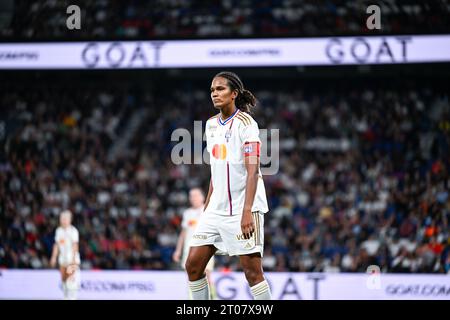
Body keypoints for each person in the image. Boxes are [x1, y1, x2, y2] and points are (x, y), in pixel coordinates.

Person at [185, 71, 271, 300]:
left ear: (234, 94)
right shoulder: (211, 125)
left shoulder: (247, 124)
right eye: (212, 89)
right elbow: (216, 169)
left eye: (220, 89)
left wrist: (246, 213)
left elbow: (253, 171)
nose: (215, 93)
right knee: (193, 266)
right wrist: (207, 209)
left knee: (252, 273)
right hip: (216, 209)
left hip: (244, 208)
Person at [172, 188, 216, 299]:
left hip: (205, 248)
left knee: (207, 276)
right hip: (189, 250)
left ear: (202, 197)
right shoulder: (187, 213)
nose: (193, 198)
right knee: (190, 277)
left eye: (196, 195)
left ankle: (213, 298)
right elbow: (183, 233)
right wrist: (178, 250)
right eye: (191, 196)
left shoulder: (208, 210)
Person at [50, 210, 81, 300]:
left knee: (71, 281)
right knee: (63, 280)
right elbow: (56, 245)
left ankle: (72, 298)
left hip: (71, 259)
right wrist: (54, 257)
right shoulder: (58, 231)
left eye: (64, 219)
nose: (63, 220)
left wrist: (74, 258)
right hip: (62, 259)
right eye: (61, 219)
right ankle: (66, 297)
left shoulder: (73, 231)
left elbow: (75, 245)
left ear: (69, 220)